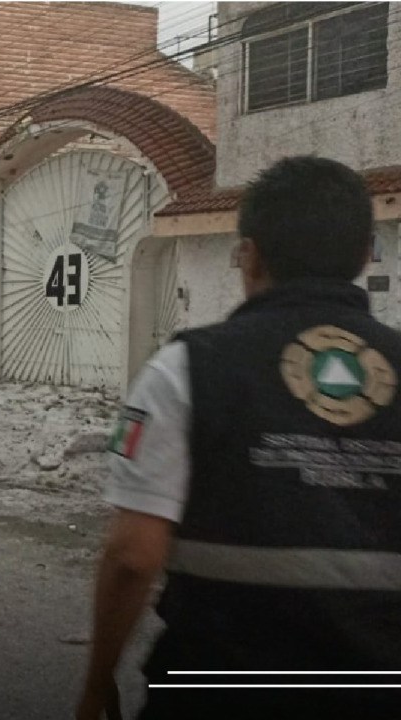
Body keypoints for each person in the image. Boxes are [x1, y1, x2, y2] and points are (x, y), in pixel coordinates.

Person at [77, 156, 401, 720]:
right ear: (365, 251)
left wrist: (98, 677)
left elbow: (133, 554)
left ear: (249, 255)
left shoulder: (185, 368)